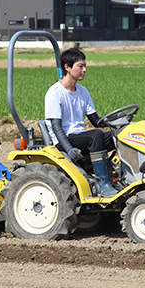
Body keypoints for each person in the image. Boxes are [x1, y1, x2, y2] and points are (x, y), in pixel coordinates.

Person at [44, 47, 117, 197]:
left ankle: (121, 177)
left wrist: (117, 122)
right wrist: (69, 149)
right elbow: (56, 127)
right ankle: (103, 183)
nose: (84, 70)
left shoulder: (83, 92)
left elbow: (96, 121)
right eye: (80, 66)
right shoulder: (55, 93)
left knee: (120, 136)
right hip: (64, 140)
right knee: (96, 135)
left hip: (80, 137)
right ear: (67, 67)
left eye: (85, 66)